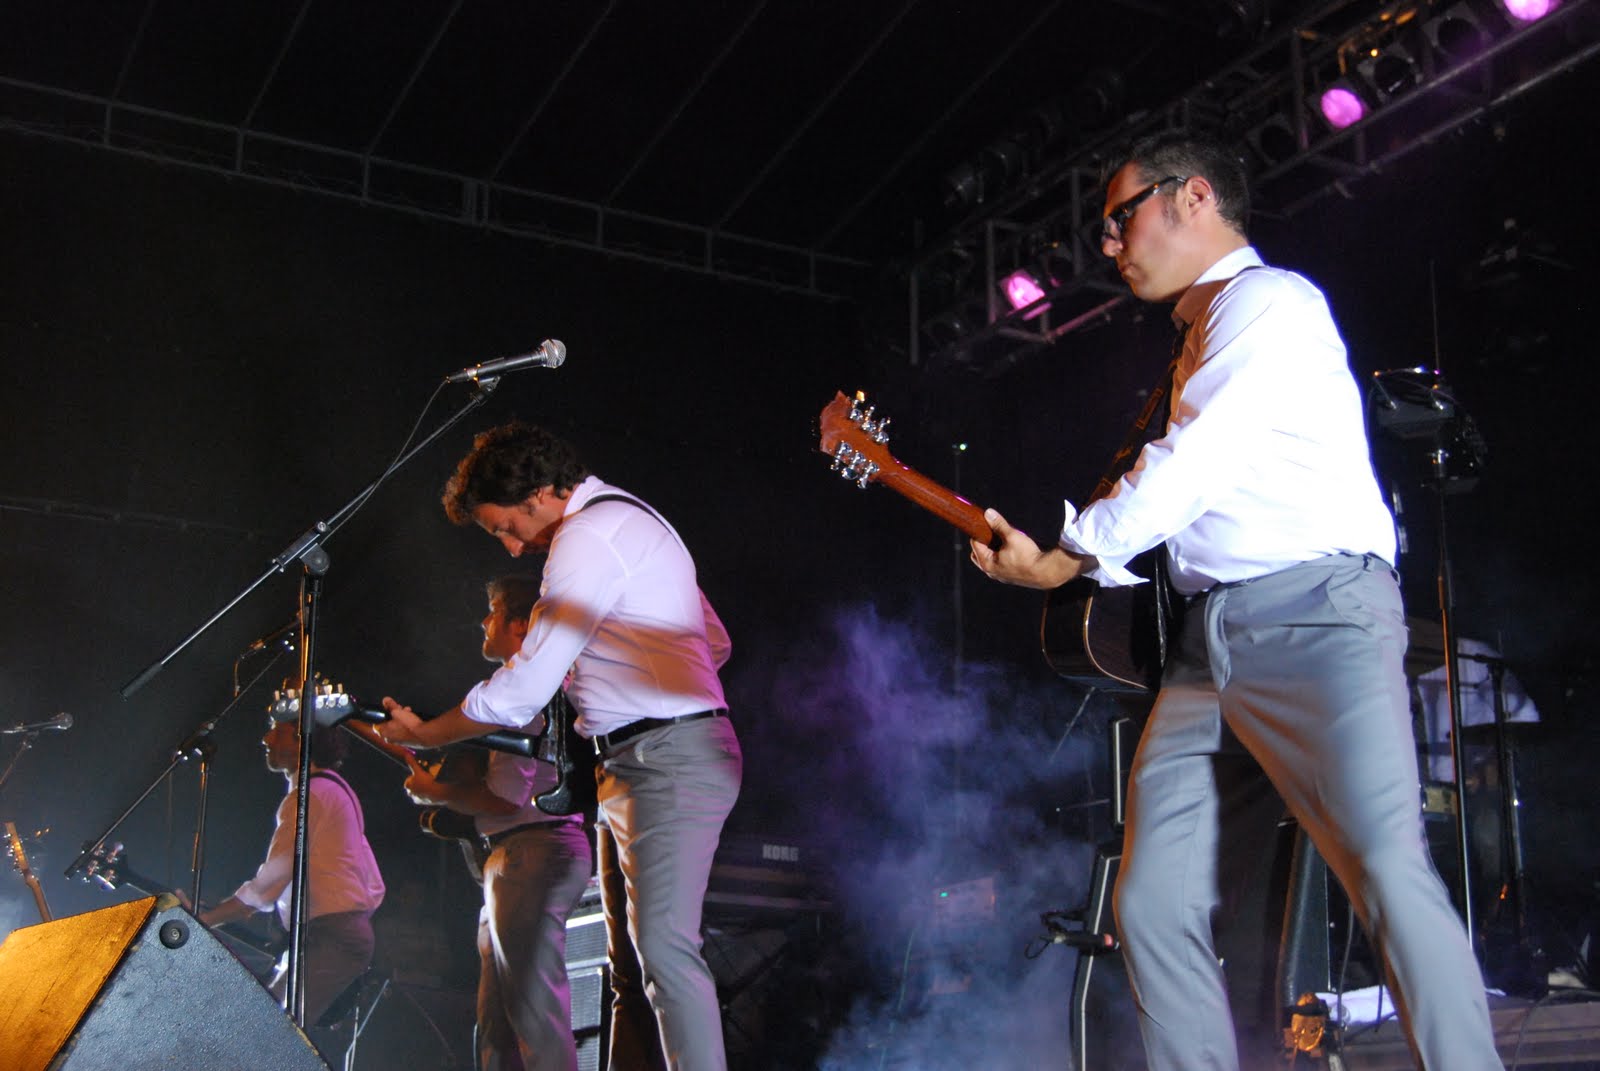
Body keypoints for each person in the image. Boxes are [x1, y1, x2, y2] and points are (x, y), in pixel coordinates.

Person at [969, 131, 1504, 1070]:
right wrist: (1085, 560)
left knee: (1384, 866)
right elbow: (1188, 504)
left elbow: (1191, 465)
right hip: (1206, 647)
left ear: (1194, 196)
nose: (1108, 243)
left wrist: (1068, 556)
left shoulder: (1267, 300)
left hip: (1314, 615)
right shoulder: (1203, 334)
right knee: (1150, 905)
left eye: (1120, 216)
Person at [377, 422, 741, 1071]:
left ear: (541, 492)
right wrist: (622, 675)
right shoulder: (631, 518)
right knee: (633, 966)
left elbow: (518, 694)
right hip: (639, 757)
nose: (514, 547)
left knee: (664, 951)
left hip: (665, 758)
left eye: (506, 527)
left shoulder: (587, 535)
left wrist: (425, 733)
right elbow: (713, 642)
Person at [398, 574, 593, 1071]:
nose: (483, 622)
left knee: (532, 1016)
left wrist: (436, 792)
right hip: (526, 853)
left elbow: (506, 800)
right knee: (499, 1025)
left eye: (493, 612)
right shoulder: (538, 686)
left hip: (532, 851)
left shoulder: (522, 692)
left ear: (521, 624)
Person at [201, 717, 385, 1060]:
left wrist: (206, 920)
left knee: (268, 1038)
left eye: (278, 730)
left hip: (333, 937)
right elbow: (371, 881)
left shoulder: (310, 795)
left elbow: (268, 885)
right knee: (262, 1030)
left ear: (303, 740)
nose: (266, 738)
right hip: (331, 934)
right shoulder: (332, 790)